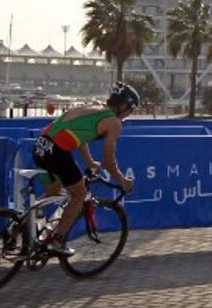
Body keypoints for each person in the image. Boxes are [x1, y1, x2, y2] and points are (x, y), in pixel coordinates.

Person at [33, 82, 138, 257]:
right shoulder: (113, 122)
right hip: (57, 151)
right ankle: (58, 241)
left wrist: (89, 162)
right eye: (130, 110)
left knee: (53, 191)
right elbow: (108, 160)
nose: (128, 115)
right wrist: (122, 180)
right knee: (79, 194)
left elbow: (80, 138)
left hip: (41, 144)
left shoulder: (93, 107)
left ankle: (16, 229)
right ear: (124, 105)